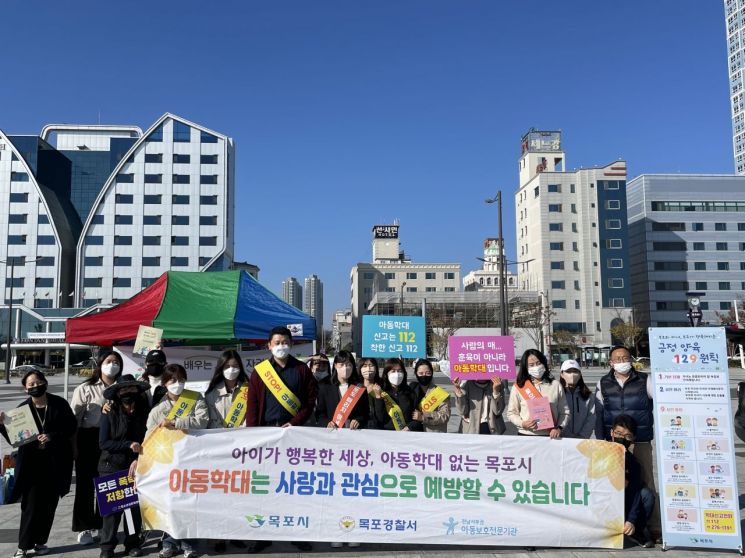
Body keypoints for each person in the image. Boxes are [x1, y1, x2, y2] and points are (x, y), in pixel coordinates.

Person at [245, 326, 317, 553]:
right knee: (265, 486)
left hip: (293, 436)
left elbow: (309, 403)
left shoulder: (302, 370)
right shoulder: (260, 372)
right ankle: (262, 534)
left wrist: (294, 424)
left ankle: (297, 533)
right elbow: (253, 406)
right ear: (269, 345)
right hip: (266, 435)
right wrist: (254, 435)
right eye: (277, 342)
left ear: (292, 344)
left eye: (285, 342)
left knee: (293, 486)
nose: (281, 346)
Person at [0, 371, 77, 558]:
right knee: (30, 506)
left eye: (39, 381)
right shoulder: (21, 410)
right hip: (31, 465)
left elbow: (71, 426)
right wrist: (2, 425)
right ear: (25, 388)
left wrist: (52, 435)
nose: (36, 386)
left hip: (55, 463)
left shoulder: (59, 404)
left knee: (49, 505)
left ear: (45, 382)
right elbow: (14, 440)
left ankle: (41, 541)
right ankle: (23, 546)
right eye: (31, 384)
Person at [595, 345, 658, 537]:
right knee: (613, 482)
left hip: (639, 441)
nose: (622, 362)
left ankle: (654, 527)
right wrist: (601, 439)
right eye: (618, 359)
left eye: (626, 358)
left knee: (646, 482)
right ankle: (615, 522)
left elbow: (660, 403)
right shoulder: (603, 383)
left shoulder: (645, 380)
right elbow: (599, 413)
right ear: (611, 362)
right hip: (613, 442)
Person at [147, 364, 208, 558]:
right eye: (173, 381)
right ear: (165, 383)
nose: (178, 384)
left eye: (181, 380)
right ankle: (169, 542)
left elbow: (202, 421)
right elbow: (149, 435)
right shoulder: (158, 408)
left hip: (191, 458)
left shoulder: (195, 398)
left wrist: (174, 422)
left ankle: (189, 543)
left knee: (189, 502)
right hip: (168, 462)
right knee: (169, 503)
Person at [70, 350, 123, 545]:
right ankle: (84, 528)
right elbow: (74, 421)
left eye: (116, 362)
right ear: (100, 364)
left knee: (108, 485)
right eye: (109, 361)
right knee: (85, 485)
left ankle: (104, 526)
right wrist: (74, 446)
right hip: (88, 438)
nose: (112, 365)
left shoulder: (123, 387)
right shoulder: (85, 388)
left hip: (112, 440)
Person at [98, 375, 150, 558]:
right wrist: (127, 444)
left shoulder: (145, 411)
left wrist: (138, 455)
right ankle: (107, 547)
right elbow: (103, 443)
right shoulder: (109, 412)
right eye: (124, 390)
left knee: (132, 508)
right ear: (117, 393)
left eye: (132, 389)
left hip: (135, 466)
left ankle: (132, 543)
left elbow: (149, 438)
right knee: (111, 512)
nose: (128, 393)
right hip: (110, 466)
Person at [612, 414, 655, 548]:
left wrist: (631, 520)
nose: (622, 438)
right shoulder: (600, 453)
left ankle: (635, 529)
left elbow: (636, 493)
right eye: (618, 433)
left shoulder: (634, 463)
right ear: (611, 433)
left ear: (633, 439)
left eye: (627, 436)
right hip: (603, 504)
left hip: (625, 503)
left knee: (646, 495)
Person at [506, 349, 569, 437]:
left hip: (550, 435)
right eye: (531, 365)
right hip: (526, 435)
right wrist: (522, 423)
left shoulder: (555, 385)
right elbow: (511, 413)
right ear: (526, 368)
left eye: (538, 363)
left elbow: (565, 412)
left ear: (544, 363)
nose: (536, 367)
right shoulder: (519, 387)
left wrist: (559, 428)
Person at [205, 349, 250, 429]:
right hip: (220, 438)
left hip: (244, 436)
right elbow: (211, 421)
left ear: (240, 367)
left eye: (235, 365)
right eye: (227, 366)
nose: (231, 369)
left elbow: (251, 415)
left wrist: (242, 430)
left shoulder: (249, 390)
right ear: (221, 368)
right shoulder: (212, 394)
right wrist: (226, 433)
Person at [372, 358, 419, 431]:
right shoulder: (381, 392)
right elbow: (379, 418)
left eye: (400, 371)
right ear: (386, 374)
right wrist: (378, 397)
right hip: (386, 434)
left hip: (406, 434)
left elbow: (416, 417)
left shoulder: (410, 392)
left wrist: (409, 427)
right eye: (393, 371)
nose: (397, 374)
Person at [409, 359, 451, 432]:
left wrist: (423, 417)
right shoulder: (411, 390)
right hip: (414, 433)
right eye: (421, 373)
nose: (424, 376)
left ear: (432, 373)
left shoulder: (439, 393)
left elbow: (444, 416)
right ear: (416, 374)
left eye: (427, 373)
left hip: (433, 435)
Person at [558, 359, 595, 439]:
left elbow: (591, 417)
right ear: (562, 374)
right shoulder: (558, 393)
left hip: (582, 439)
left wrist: (583, 435)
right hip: (561, 438)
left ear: (580, 374)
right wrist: (562, 433)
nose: (572, 374)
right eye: (568, 371)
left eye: (575, 371)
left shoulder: (588, 395)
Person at [306, 353, 332, 426]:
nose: (320, 367)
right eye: (317, 364)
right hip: (309, 425)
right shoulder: (305, 384)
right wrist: (309, 359)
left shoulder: (332, 386)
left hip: (328, 425)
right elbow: (295, 369)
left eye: (323, 365)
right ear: (310, 367)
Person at [358, 357, 383, 429]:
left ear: (376, 369)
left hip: (377, 427)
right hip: (360, 427)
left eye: (371, 365)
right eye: (365, 366)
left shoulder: (382, 387)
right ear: (360, 369)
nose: (368, 369)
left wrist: (378, 396)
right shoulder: (355, 388)